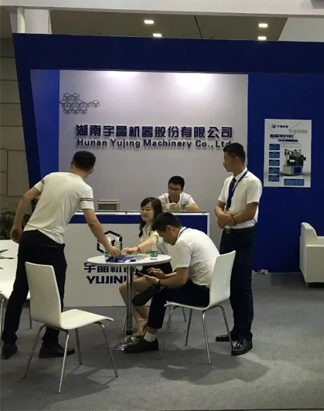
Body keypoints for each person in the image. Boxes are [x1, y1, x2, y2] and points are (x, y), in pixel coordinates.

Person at [1, 151, 121, 360]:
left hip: (29, 237)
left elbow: (25, 197)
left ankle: (8, 341)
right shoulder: (84, 188)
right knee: (55, 293)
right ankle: (49, 343)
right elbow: (92, 221)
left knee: (19, 290)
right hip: (50, 243)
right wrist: (107, 245)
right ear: (92, 170)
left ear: (72, 163)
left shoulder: (52, 177)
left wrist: (17, 225)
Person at [123, 212, 219, 353]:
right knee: (162, 287)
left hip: (203, 294)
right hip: (215, 290)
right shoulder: (196, 234)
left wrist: (159, 281)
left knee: (160, 295)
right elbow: (187, 271)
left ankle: (149, 340)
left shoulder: (183, 242)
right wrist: (166, 276)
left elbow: (181, 280)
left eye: (163, 236)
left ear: (169, 229)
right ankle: (149, 329)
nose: (165, 241)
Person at [214, 143, 262, 356]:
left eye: (225, 158)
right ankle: (236, 328)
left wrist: (229, 220)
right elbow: (218, 205)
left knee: (242, 286)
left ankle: (245, 335)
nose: (223, 162)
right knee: (230, 284)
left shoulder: (252, 182)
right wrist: (222, 216)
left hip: (244, 237)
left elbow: (250, 213)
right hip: (228, 237)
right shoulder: (228, 181)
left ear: (236, 159)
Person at [119, 197, 172, 336]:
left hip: (160, 270)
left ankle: (148, 322)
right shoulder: (144, 228)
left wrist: (137, 248)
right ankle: (143, 321)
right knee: (124, 288)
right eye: (142, 209)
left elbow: (152, 240)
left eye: (148, 209)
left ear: (156, 211)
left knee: (127, 288)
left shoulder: (159, 228)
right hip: (145, 268)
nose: (144, 212)